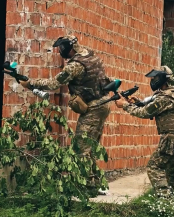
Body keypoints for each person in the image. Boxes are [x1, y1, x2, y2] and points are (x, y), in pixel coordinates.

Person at [19, 35, 112, 196]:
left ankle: (86, 187)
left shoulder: (75, 65)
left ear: (70, 48)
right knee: (90, 147)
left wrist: (31, 83)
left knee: (81, 147)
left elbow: (53, 84)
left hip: (94, 107)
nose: (61, 52)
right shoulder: (90, 54)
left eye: (62, 48)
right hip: (103, 103)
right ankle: (93, 184)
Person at [114, 66, 174, 198]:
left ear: (161, 79)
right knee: (172, 174)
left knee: (154, 168)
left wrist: (124, 105)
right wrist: (138, 103)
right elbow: (157, 110)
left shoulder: (164, 98)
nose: (152, 81)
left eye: (154, 78)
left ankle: (163, 201)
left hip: (171, 140)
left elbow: (144, 113)